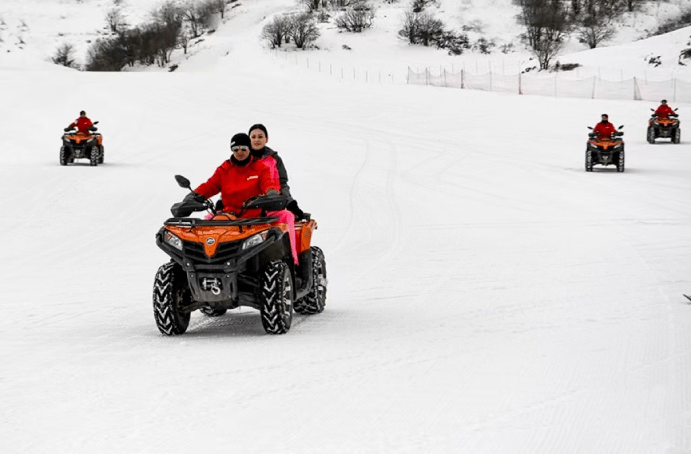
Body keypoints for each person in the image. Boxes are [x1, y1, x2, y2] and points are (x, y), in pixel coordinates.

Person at [193, 133, 299, 264]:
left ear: (249, 149)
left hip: (254, 217)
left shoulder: (260, 167)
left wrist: (271, 192)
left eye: (243, 148)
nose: (240, 152)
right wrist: (194, 195)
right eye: (235, 149)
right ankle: (206, 263)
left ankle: (292, 261)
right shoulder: (224, 169)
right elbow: (210, 186)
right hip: (229, 217)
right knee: (205, 226)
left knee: (286, 216)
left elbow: (268, 182)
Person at [248, 123, 307, 221]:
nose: (256, 140)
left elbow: (282, 184)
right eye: (253, 137)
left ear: (266, 139)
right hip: (246, 208)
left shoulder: (275, 159)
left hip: (270, 206)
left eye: (260, 136)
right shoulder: (241, 159)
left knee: (288, 217)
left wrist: (291, 205)